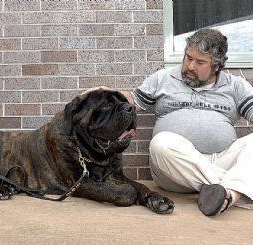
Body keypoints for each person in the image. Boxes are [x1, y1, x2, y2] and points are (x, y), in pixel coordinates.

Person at [92, 28, 253, 216]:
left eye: (200, 62)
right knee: (161, 143)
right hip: (174, 169)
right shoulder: (164, 78)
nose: (190, 66)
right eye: (188, 58)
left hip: (221, 159)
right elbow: (132, 101)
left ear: (217, 66)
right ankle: (238, 189)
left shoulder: (235, 85)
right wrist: (104, 95)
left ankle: (227, 195)